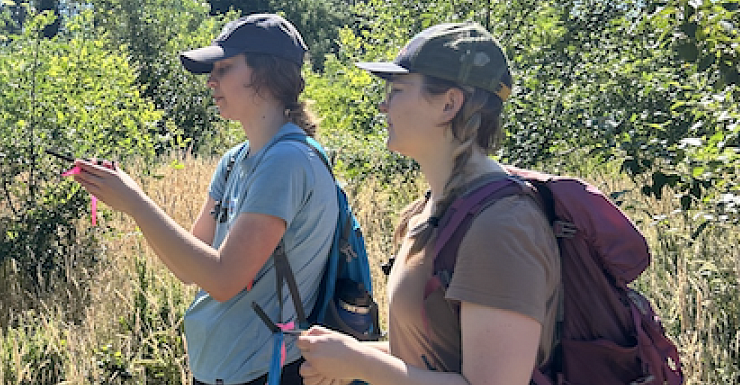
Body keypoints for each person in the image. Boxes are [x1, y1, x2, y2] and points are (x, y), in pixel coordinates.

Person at [69, 13, 338, 385]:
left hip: (266, 371)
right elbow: (189, 266)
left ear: (267, 76)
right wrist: (131, 199)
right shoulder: (235, 161)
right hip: (222, 368)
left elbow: (224, 279)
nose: (211, 81)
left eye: (224, 68)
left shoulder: (287, 161)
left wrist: (135, 202)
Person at [292, 22, 561, 385]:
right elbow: (432, 358)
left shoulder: (501, 226)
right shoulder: (435, 209)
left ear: (449, 104)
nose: (383, 104)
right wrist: (349, 355)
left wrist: (361, 364)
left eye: (398, 89)